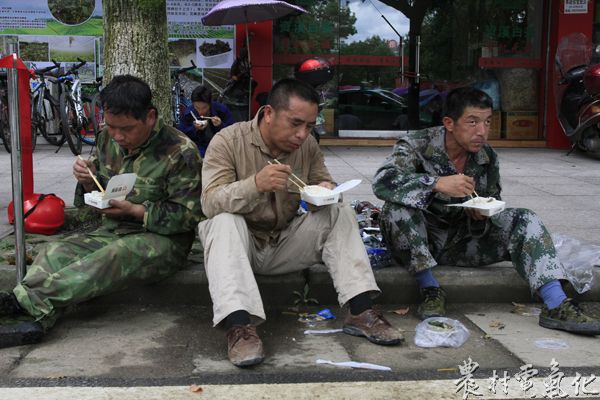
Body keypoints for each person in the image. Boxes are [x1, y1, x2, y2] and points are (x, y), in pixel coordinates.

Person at [199, 78, 403, 368]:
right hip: (239, 249)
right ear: (269, 113)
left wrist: (324, 189)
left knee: (339, 212)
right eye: (295, 123)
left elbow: (324, 178)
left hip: (285, 242)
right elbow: (210, 202)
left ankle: (360, 310)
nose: (302, 134)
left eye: (309, 126)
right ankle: (239, 327)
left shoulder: (306, 146)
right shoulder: (228, 141)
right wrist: (255, 184)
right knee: (222, 222)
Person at [372, 86, 600, 335]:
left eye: (487, 122)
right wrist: (435, 183)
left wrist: (481, 211)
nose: (481, 131)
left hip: (463, 241)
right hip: (419, 240)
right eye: (472, 122)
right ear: (449, 123)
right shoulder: (416, 145)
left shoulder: (486, 156)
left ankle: (556, 304)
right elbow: (383, 181)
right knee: (396, 209)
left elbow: (492, 200)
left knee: (525, 218)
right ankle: (430, 290)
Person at [0, 75, 203, 348]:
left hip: (163, 241)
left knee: (111, 257)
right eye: (112, 127)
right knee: (54, 253)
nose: (118, 136)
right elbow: (96, 195)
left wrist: (135, 210)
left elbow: (188, 216)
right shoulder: (108, 139)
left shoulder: (181, 151)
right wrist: (86, 180)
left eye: (127, 129)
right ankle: (36, 322)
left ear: (150, 117)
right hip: (112, 230)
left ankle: (19, 303)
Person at [177, 85, 234, 157]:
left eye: (204, 108)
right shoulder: (188, 113)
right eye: (197, 107)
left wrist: (220, 125)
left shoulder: (221, 110)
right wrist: (194, 128)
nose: (200, 112)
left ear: (210, 104)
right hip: (199, 148)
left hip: (220, 146)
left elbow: (233, 132)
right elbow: (181, 134)